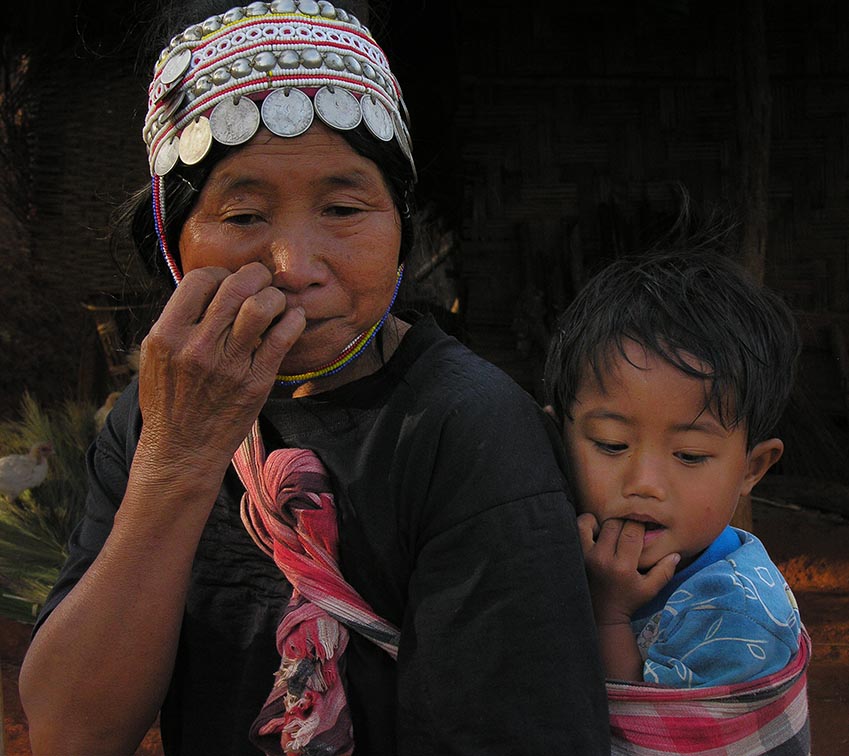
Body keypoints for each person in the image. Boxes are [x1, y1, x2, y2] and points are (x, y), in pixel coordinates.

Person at [19, 2, 609, 755]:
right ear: (173, 244)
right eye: (241, 216)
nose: (295, 267)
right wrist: (176, 462)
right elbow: (74, 732)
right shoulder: (152, 419)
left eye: (342, 207)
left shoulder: (468, 430)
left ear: (399, 224)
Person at [543, 242, 805, 690]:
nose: (644, 484)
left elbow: (652, 733)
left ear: (752, 468)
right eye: (611, 444)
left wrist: (609, 616)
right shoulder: (545, 545)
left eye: (689, 455)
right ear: (555, 439)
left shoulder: (735, 614)